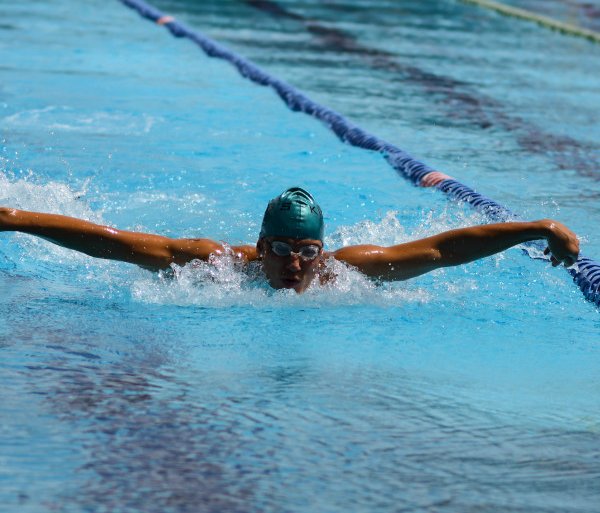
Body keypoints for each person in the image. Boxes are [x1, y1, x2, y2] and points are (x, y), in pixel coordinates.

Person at [0, 187, 579, 293]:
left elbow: (440, 249)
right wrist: (18, 218)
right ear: (260, 245)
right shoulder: (218, 266)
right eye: (279, 249)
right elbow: (114, 242)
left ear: (321, 251)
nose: (292, 265)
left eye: (305, 251)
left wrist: (538, 226)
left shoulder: (347, 272)